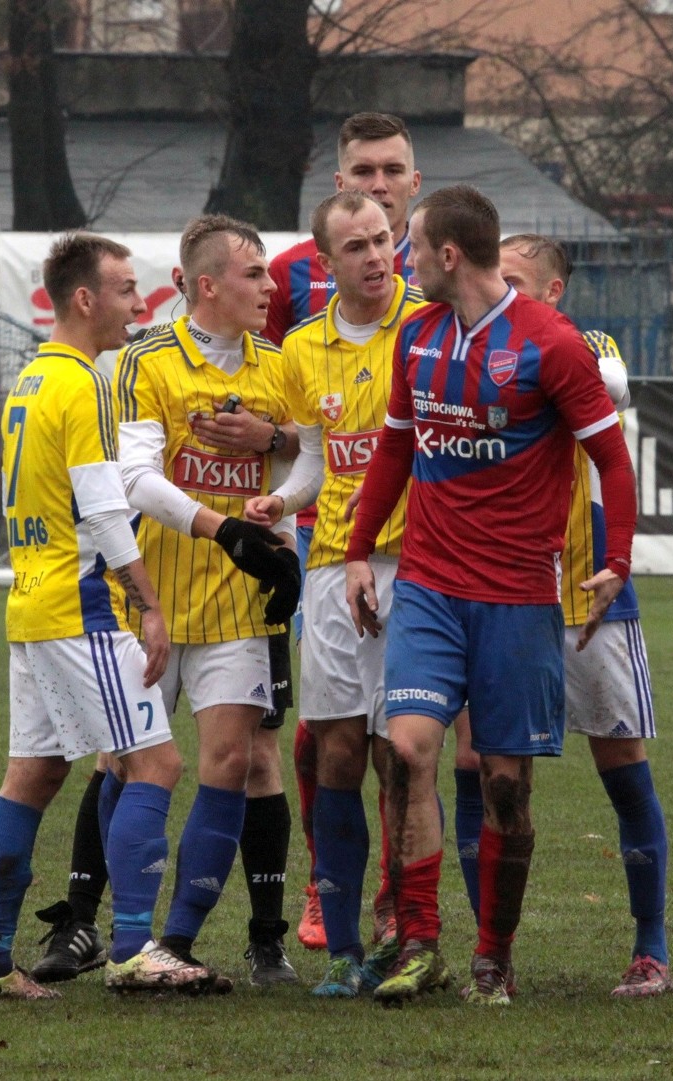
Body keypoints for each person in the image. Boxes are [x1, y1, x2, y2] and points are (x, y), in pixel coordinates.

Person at [0, 233, 280, 1000]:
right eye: (126, 290)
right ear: (86, 299)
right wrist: (151, 603)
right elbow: (106, 511)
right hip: (81, 605)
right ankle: (138, 947)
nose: (139, 304)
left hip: (31, 602)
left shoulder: (32, 381)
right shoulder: (85, 385)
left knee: (33, 774)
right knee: (157, 763)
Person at [345, 186, 639, 1006]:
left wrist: (614, 558)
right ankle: (419, 938)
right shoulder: (418, 337)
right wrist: (360, 552)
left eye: (409, 247)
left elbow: (612, 461)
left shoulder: (552, 346)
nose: (398, 262)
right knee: (405, 750)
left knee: (505, 782)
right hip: (431, 587)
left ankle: (493, 954)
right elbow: (394, 454)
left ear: (448, 255)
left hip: (515, 597)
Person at [32, 265, 301, 989]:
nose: (269, 285)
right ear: (206, 284)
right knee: (119, 761)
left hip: (238, 606)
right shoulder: (144, 362)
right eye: (252, 272)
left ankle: (174, 942)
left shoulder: (281, 363)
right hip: (145, 600)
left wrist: (277, 445)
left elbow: (309, 456)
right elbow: (134, 477)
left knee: (232, 763)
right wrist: (223, 529)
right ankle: (86, 922)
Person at [448, 233, 672, 998]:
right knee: (485, 769)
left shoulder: (586, 343)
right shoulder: (461, 346)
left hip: (589, 597)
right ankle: (492, 954)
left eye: (511, 278)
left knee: (623, 771)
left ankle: (651, 948)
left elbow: (608, 381)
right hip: (502, 592)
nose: (492, 288)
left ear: (551, 292)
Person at [245, 190, 425, 997]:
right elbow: (313, 459)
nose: (375, 256)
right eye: (356, 247)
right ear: (325, 263)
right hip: (329, 569)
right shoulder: (302, 349)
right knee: (341, 750)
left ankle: (409, 928)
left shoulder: (425, 326)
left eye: (383, 240)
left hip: (414, 563)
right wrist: (283, 501)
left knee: (404, 751)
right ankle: (348, 944)